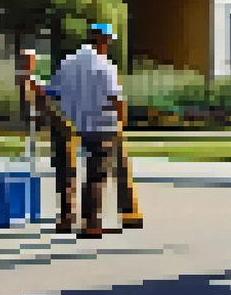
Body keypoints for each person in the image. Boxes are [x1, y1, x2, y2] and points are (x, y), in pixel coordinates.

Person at [55, 24, 141, 238]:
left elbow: (53, 92)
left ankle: (70, 219)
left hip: (78, 125)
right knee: (97, 176)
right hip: (103, 125)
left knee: (75, 173)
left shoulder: (68, 63)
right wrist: (123, 120)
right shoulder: (104, 65)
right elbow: (115, 98)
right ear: (104, 40)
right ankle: (91, 224)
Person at [17, 49, 78, 234]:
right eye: (26, 61)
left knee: (68, 170)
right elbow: (34, 106)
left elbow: (48, 96)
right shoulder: (31, 81)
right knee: (64, 170)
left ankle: (69, 216)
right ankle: (69, 213)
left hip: (67, 129)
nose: (28, 64)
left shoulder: (58, 81)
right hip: (60, 130)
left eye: (30, 61)